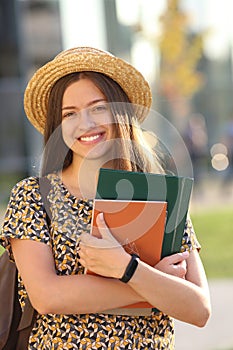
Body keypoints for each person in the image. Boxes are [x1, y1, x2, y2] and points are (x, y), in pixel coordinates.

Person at [0, 47, 211, 349]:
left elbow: (199, 309)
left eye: (98, 107)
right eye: (69, 114)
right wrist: (150, 282)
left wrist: (126, 267)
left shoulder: (162, 195)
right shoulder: (34, 197)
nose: (85, 123)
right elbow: (47, 297)